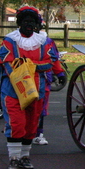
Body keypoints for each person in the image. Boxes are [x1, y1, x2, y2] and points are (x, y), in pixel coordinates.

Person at [0, 6, 58, 169]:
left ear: (36, 24)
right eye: (25, 21)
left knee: (31, 125)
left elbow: (49, 62)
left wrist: (30, 65)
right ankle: (13, 158)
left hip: (37, 90)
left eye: (32, 21)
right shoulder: (10, 40)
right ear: (20, 22)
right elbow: (6, 62)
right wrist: (20, 72)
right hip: (13, 89)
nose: (28, 24)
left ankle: (25, 156)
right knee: (16, 123)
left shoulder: (45, 42)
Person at [32, 15, 65, 146]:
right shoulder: (16, 40)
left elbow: (54, 59)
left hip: (43, 79)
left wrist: (60, 73)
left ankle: (38, 133)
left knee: (41, 107)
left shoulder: (48, 42)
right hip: (22, 79)